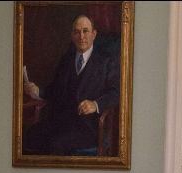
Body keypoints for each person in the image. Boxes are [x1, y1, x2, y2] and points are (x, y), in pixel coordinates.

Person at [24, 14, 120, 155]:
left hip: (88, 126)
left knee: (55, 144)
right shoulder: (66, 60)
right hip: (60, 121)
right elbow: (55, 89)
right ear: (72, 36)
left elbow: (116, 92)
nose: (81, 36)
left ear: (94, 34)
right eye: (77, 32)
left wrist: (95, 104)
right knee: (29, 135)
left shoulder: (106, 62)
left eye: (85, 31)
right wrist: (38, 91)